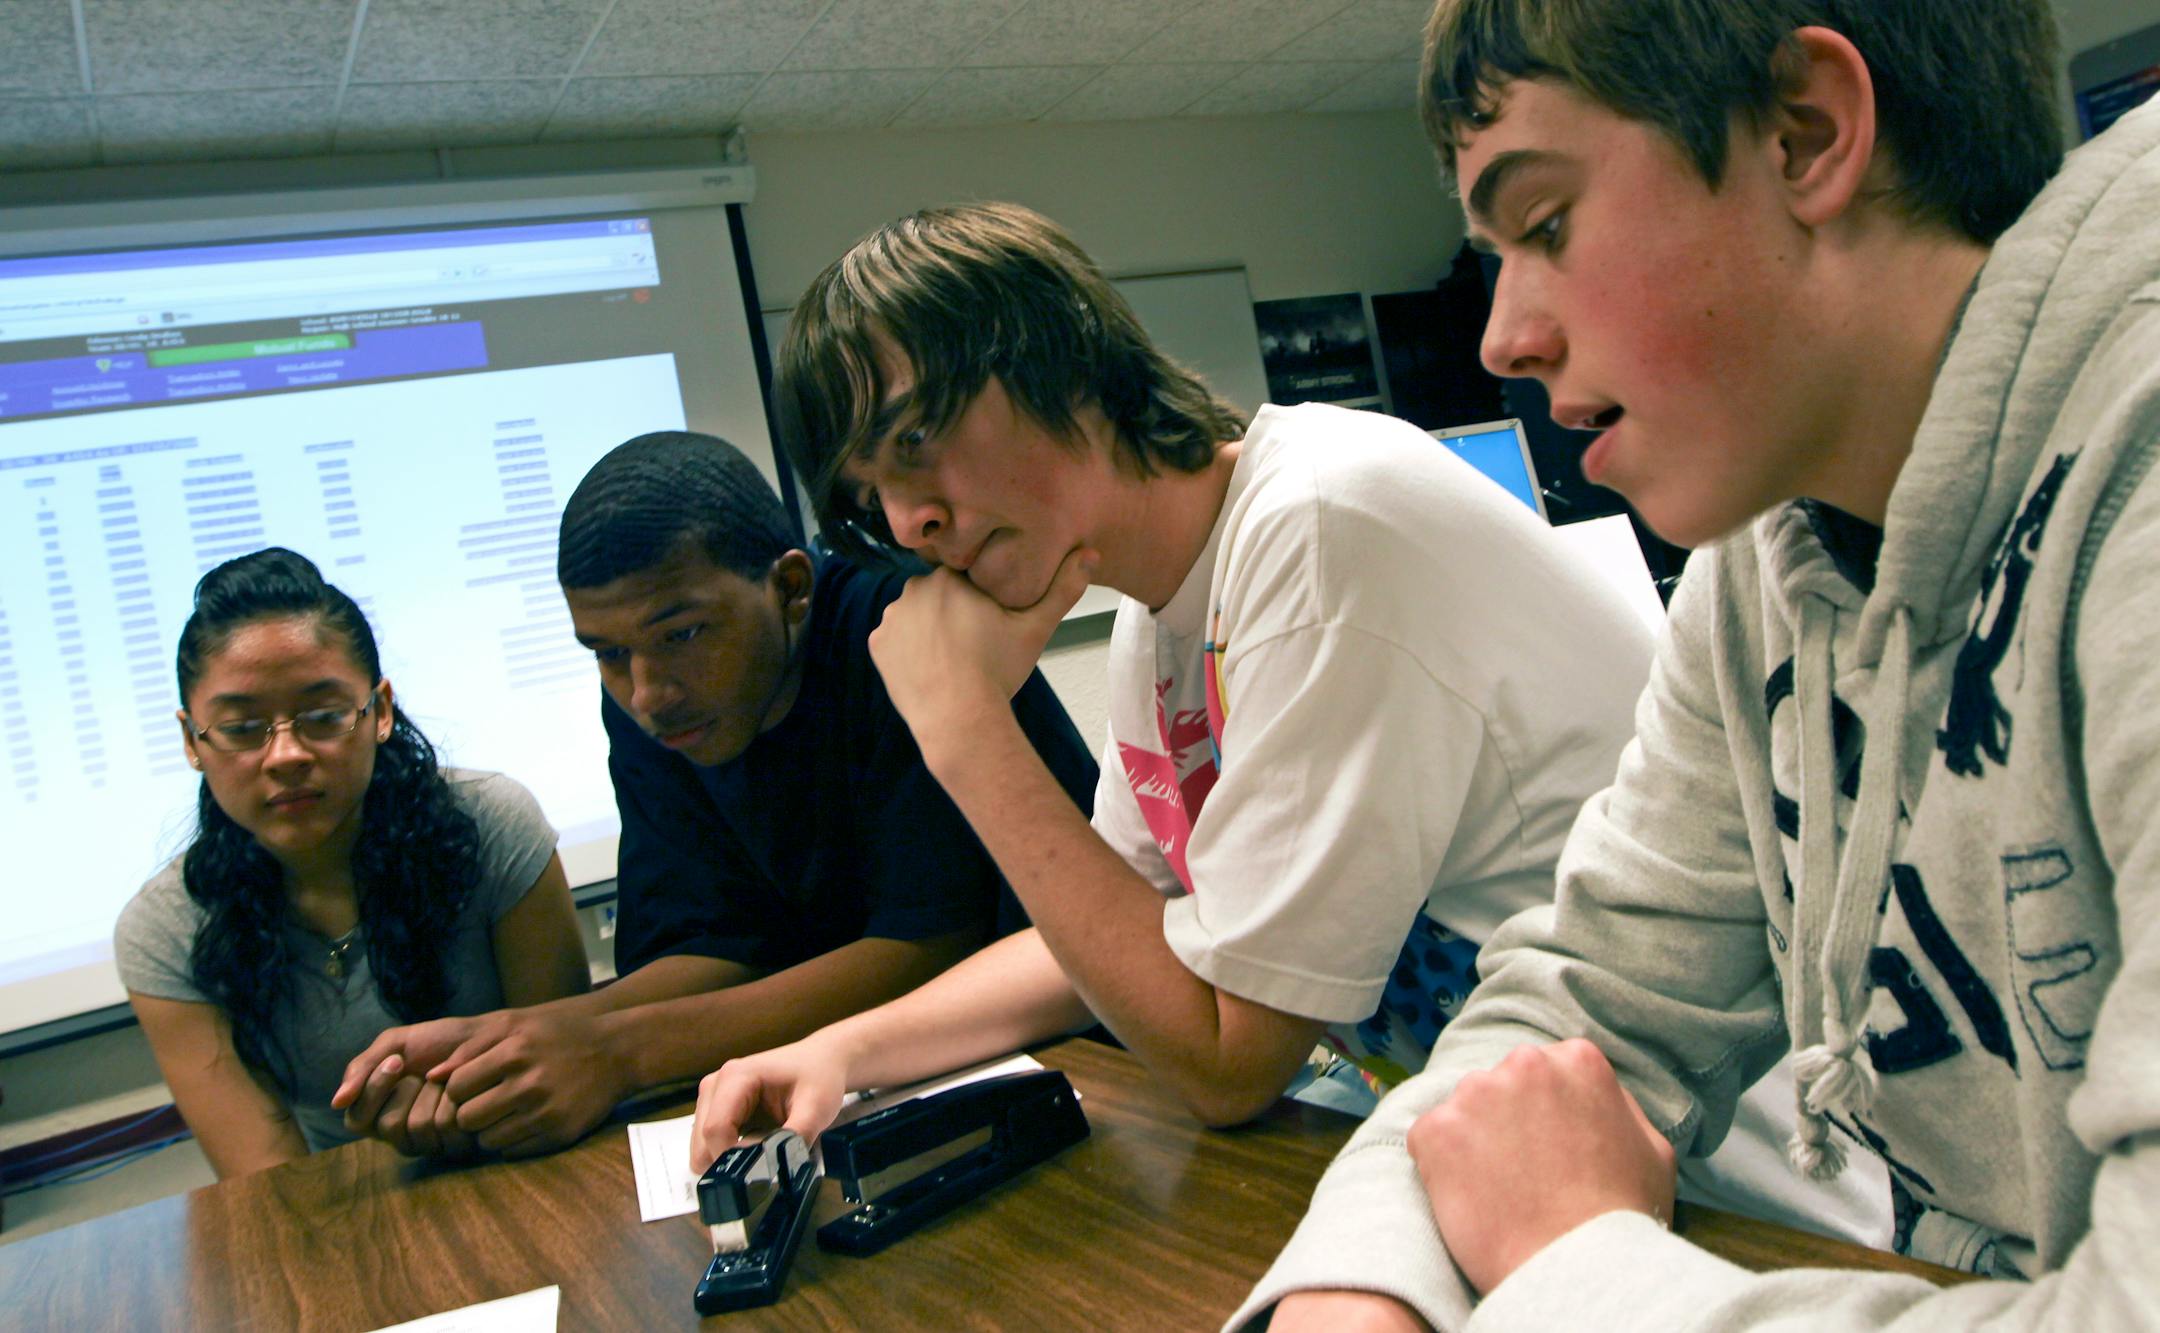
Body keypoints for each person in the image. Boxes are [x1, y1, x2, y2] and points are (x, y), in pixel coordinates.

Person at [1238, 1, 2160, 1329]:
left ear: (1805, 133)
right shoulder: (1762, 561)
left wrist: (1577, 1268)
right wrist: (1360, 1286)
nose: (1502, 336)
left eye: (1544, 225)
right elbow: (1581, 998)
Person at [686, 201, 1813, 1214]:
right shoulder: (1158, 617)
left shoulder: (1319, 526)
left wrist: (968, 732)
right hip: (1518, 1174)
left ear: (1067, 360)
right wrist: (847, 1047)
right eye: (870, 492)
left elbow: (1227, 1058)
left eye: (918, 439)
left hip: (1730, 1195)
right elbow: (1112, 927)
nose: (907, 519)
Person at [330, 431, 1096, 1156]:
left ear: (791, 587)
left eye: (683, 634)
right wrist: (504, 1042)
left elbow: (931, 946)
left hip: (1069, 1057)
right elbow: (718, 943)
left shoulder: (892, 627)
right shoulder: (656, 701)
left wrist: (616, 1052)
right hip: (848, 1081)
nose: (647, 691)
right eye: (606, 652)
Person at [114, 547, 587, 1177]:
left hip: (531, 1162)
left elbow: (562, 1072)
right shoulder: (165, 928)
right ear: (191, 741)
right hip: (344, 1204)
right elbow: (267, 1180)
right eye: (241, 727)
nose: (284, 754)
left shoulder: (493, 826)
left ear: (380, 711)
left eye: (324, 716)